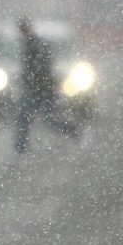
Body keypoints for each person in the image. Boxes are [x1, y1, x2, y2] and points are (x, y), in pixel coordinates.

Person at [14, 18, 77, 154]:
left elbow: (38, 68)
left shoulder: (33, 44)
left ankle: (20, 148)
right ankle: (20, 148)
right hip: (41, 88)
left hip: (41, 89)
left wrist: (29, 80)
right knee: (34, 118)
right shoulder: (33, 43)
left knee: (33, 118)